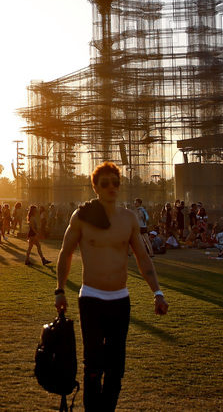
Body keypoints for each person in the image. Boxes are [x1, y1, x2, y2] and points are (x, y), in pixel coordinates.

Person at [55, 163, 168, 410]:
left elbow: (143, 257)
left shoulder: (128, 219)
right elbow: (65, 254)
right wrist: (60, 290)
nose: (111, 187)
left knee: (116, 367)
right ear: (95, 187)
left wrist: (157, 292)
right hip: (92, 298)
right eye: (104, 183)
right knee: (93, 365)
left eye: (115, 183)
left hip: (120, 300)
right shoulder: (81, 217)